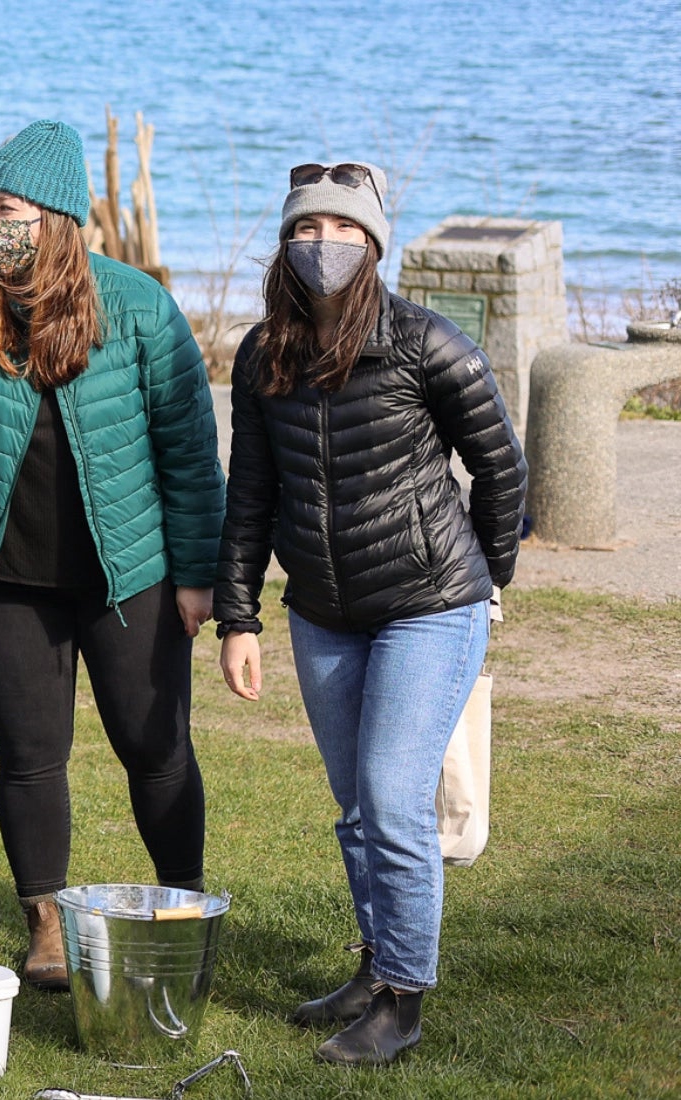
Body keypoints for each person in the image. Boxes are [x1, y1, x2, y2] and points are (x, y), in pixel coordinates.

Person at [0, 120, 224, 990]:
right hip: (6, 573)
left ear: (55, 219)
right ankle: (46, 924)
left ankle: (184, 903)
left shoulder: (139, 305)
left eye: (7, 210)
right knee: (28, 755)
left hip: (130, 571)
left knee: (155, 747)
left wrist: (198, 574)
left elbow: (190, 452)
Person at [215, 161, 525, 1067]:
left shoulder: (428, 344)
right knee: (357, 808)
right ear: (286, 244)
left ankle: (402, 1001)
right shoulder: (262, 356)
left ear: (375, 245)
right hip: (322, 610)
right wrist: (238, 617)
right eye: (309, 229)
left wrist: (487, 579)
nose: (327, 245)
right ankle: (373, 966)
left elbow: (502, 469)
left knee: (393, 800)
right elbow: (251, 496)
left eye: (347, 230)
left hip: (430, 605)